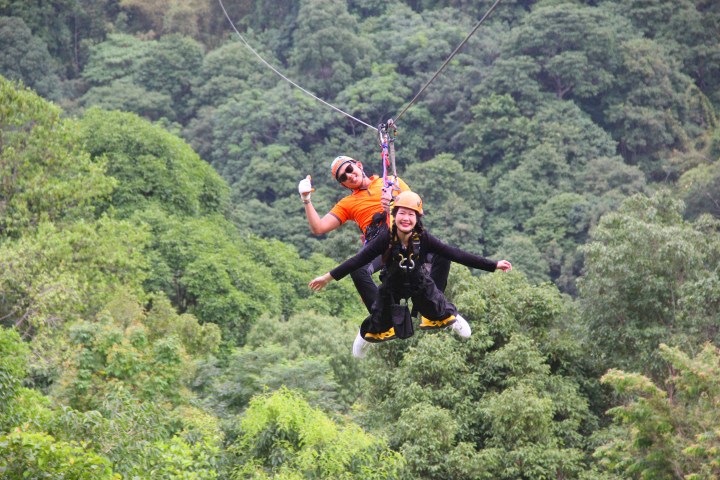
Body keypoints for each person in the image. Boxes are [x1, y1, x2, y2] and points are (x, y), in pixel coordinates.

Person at [308, 191, 512, 358]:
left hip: (419, 284)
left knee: (436, 307)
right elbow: (357, 261)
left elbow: (456, 253)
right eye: (402, 214)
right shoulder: (385, 238)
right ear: (394, 216)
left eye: (411, 214)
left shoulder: (423, 238)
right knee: (381, 321)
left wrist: (493, 265)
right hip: (391, 288)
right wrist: (327, 277)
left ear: (417, 219)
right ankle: (365, 334)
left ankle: (451, 315)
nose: (406, 218)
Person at [299, 156, 451, 313]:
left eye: (349, 170)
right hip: (381, 244)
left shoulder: (391, 182)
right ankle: (383, 317)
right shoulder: (347, 204)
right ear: (343, 184)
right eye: (343, 177)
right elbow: (318, 228)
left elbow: (418, 211)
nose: (349, 176)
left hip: (408, 236)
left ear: (359, 165)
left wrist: (394, 201)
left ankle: (433, 306)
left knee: (443, 253)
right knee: (358, 270)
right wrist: (306, 199)